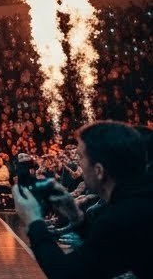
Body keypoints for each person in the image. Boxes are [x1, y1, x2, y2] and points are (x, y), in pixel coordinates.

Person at [14, 120, 153, 279]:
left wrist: (33, 221)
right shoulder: (137, 202)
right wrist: (77, 218)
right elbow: (105, 249)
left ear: (99, 171)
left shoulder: (123, 215)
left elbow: (66, 274)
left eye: (81, 157)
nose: (78, 164)